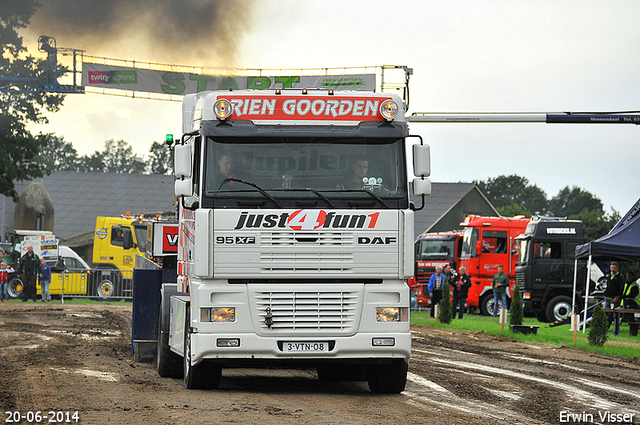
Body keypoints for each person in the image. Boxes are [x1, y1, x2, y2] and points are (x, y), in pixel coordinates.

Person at [603, 261, 624, 327]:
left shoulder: (620, 277)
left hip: (615, 297)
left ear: (617, 268)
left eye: (614, 268)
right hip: (607, 297)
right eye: (611, 268)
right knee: (606, 312)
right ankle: (607, 325)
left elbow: (621, 288)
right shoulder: (609, 276)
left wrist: (617, 297)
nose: (612, 269)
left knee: (615, 313)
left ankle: (616, 326)